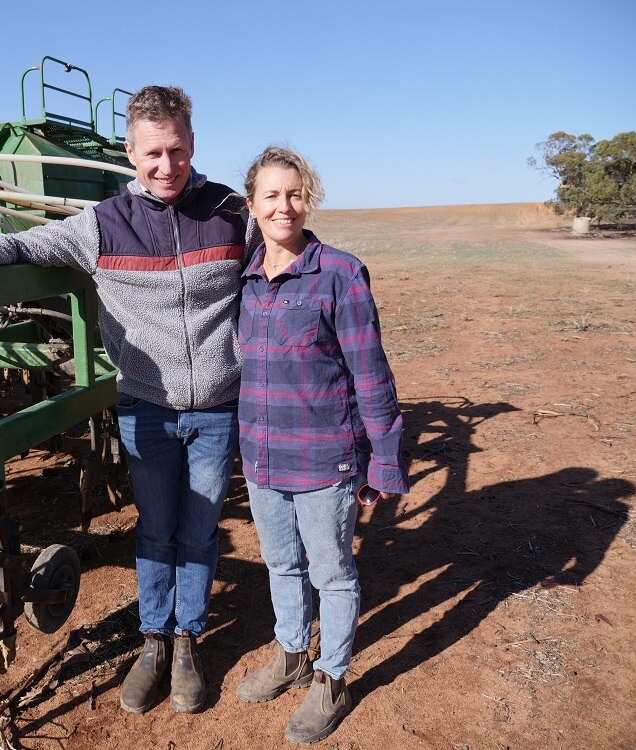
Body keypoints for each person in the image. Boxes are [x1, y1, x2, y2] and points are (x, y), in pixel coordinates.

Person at [0, 86, 249, 715]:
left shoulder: (232, 212)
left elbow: (285, 256)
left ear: (193, 145)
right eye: (152, 153)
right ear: (129, 152)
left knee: (200, 530)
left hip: (217, 410)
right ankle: (153, 644)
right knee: (156, 527)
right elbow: (22, 246)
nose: (166, 165)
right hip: (147, 408)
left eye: (177, 150)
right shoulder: (102, 225)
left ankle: (188, 640)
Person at [233, 146, 410, 744]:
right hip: (260, 455)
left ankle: (332, 676)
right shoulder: (246, 277)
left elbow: (371, 374)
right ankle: (290, 654)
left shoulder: (340, 272)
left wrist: (382, 460)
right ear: (252, 205)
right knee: (281, 564)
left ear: (308, 198)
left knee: (331, 574)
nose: (284, 206)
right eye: (271, 196)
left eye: (295, 193)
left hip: (323, 457)